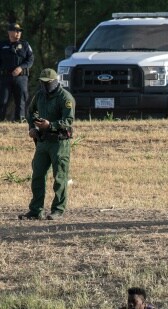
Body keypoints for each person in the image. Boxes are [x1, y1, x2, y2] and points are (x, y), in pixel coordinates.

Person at [19, 68, 75, 221]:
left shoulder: (65, 97)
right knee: (37, 175)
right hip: (43, 142)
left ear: (55, 81)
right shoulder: (40, 96)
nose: (44, 86)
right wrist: (32, 127)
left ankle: (58, 210)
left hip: (59, 142)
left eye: (47, 83)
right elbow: (31, 113)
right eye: (42, 82)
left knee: (60, 177)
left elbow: (68, 121)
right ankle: (36, 210)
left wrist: (50, 125)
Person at [0, 23, 33, 122]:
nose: (18, 33)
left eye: (19, 31)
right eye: (16, 31)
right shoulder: (2, 45)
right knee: (3, 100)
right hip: (5, 77)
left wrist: (21, 67)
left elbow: (30, 60)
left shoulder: (25, 45)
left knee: (21, 99)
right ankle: (1, 120)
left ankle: (20, 119)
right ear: (9, 32)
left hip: (21, 77)